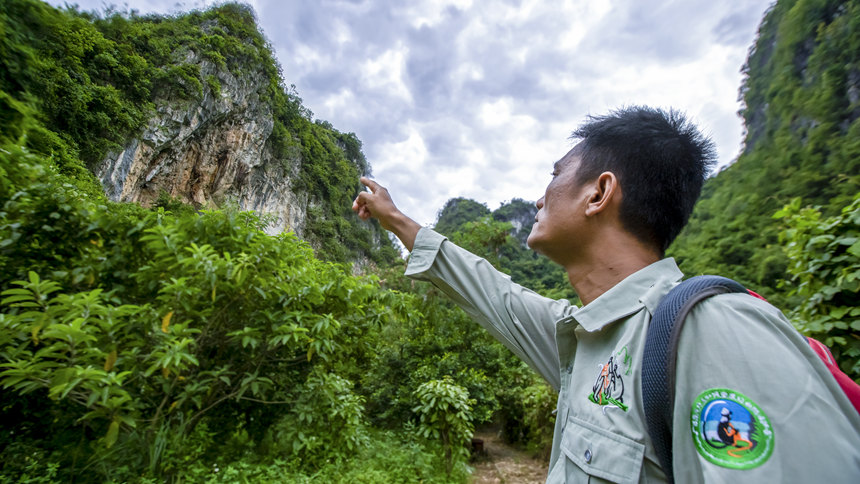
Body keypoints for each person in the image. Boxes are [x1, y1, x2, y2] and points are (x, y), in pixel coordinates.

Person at [352, 106, 860, 483]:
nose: (538, 196)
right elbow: (493, 293)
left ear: (599, 193)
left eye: (554, 175)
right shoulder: (583, 340)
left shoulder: (712, 331)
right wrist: (396, 220)